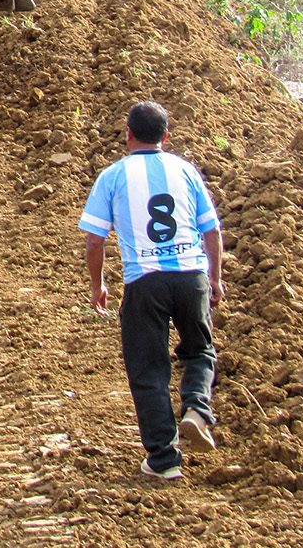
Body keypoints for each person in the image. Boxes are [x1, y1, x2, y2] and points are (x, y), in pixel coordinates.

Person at [79, 100, 224, 481]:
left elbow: (95, 241)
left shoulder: (112, 176)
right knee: (200, 350)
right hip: (191, 274)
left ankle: (164, 458)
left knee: (148, 369)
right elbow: (211, 230)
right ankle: (196, 408)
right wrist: (215, 278)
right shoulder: (185, 170)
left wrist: (98, 286)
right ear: (166, 136)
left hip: (145, 282)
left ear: (128, 134)